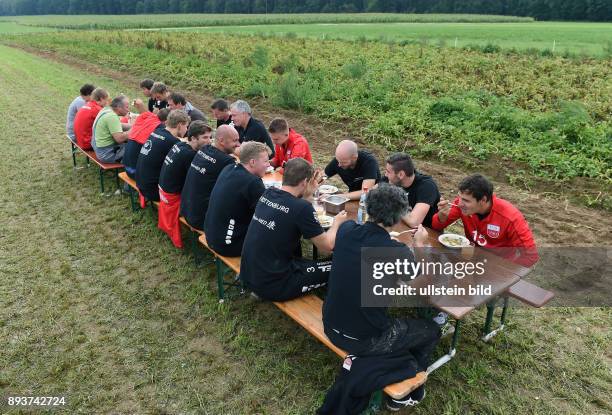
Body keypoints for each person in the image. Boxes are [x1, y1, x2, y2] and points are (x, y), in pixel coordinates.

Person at [322, 183, 440, 411]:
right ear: (398, 218)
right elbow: (425, 282)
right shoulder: (396, 252)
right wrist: (420, 245)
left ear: (369, 207)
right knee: (431, 330)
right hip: (365, 340)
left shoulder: (346, 231)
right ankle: (407, 390)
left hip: (331, 324)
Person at [241, 158, 349, 302]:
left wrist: (307, 195)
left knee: (308, 262)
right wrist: (337, 223)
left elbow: (291, 209)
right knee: (340, 265)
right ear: (304, 182)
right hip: (275, 285)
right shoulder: (301, 208)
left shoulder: (268, 193)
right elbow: (327, 247)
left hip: (249, 273)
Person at [431, 174, 539, 267]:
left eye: (466, 200)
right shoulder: (462, 206)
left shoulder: (510, 217)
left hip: (497, 266)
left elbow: (531, 256)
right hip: (472, 259)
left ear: (483, 200)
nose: (459, 203)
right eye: (460, 198)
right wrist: (441, 216)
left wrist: (505, 269)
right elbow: (435, 227)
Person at [204, 142, 270, 257]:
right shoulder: (253, 183)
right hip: (228, 245)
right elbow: (268, 216)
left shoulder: (229, 168)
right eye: (265, 161)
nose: (268, 165)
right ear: (252, 162)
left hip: (211, 235)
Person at [158, 121, 212, 248]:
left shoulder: (181, 144)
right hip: (173, 198)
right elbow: (196, 182)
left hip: (164, 193)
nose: (209, 141)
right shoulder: (190, 155)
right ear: (193, 138)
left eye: (210, 137)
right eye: (205, 137)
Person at [180, 125, 240, 231]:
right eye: (235, 140)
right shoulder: (226, 161)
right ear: (221, 141)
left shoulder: (205, 149)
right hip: (201, 219)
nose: (238, 144)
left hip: (186, 210)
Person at [135, 110, 190, 202]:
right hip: (153, 191)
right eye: (186, 126)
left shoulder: (157, 131)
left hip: (141, 184)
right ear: (180, 125)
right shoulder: (173, 142)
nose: (186, 130)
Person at [382, 153, 440, 228]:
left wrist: (392, 202)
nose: (385, 175)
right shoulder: (392, 179)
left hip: (426, 233)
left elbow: (414, 222)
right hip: (400, 226)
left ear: (401, 174)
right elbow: (371, 194)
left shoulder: (427, 186)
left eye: (388, 172)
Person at [123, 108, 170, 179]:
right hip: (136, 173)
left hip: (127, 168)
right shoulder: (159, 127)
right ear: (166, 122)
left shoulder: (146, 117)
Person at [91, 95, 133, 163]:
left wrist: (133, 126)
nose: (128, 110)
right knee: (138, 149)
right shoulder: (112, 116)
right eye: (127, 107)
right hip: (107, 154)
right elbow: (120, 139)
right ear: (119, 107)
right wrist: (134, 130)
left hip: (100, 150)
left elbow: (117, 126)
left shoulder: (107, 110)